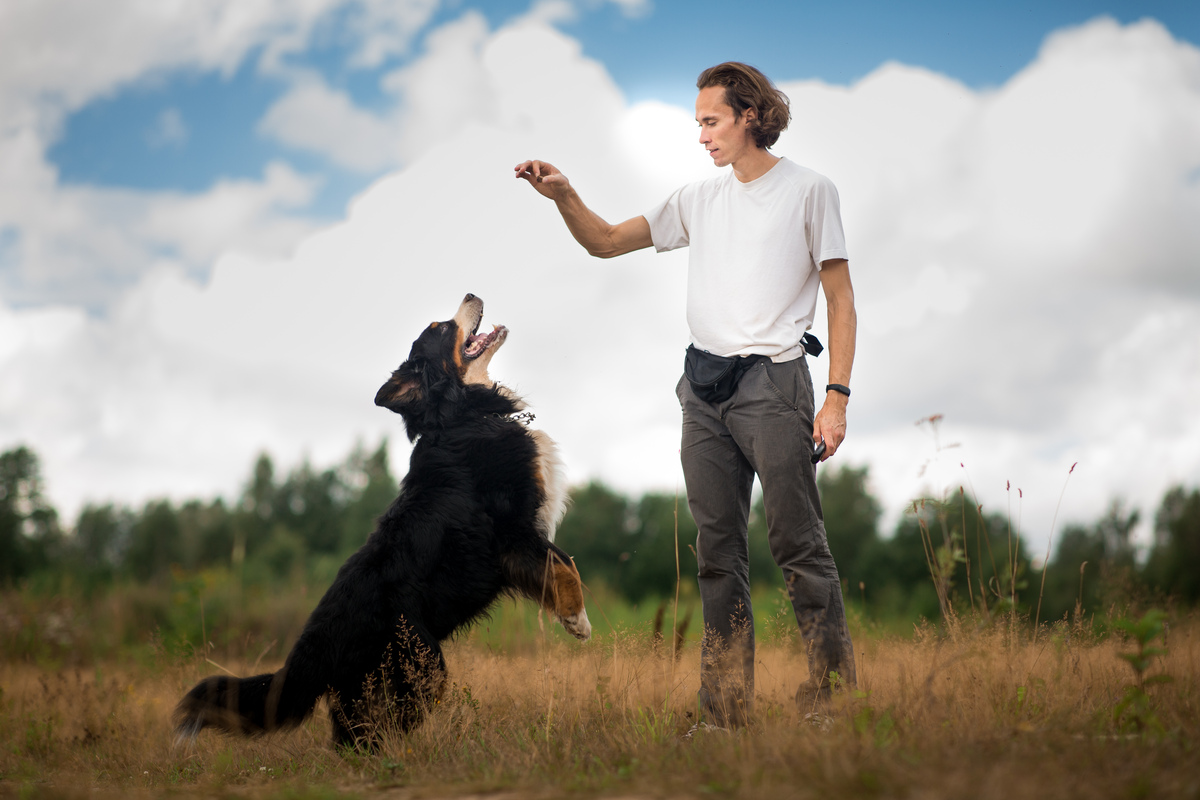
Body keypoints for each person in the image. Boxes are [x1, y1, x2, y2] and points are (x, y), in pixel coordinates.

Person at [514, 61, 857, 727]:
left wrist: (836, 396)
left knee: (798, 545)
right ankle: (724, 716)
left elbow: (841, 302)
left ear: (750, 115)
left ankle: (833, 705)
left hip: (775, 385)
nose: (701, 136)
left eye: (711, 121)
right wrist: (564, 197)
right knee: (716, 556)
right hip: (702, 391)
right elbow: (608, 242)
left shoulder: (811, 191)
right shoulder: (698, 199)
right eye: (697, 123)